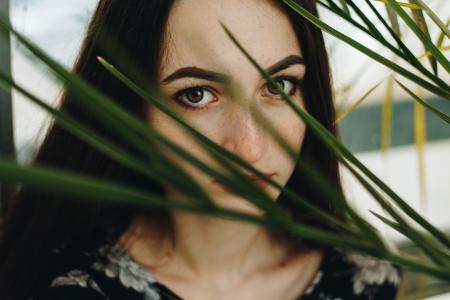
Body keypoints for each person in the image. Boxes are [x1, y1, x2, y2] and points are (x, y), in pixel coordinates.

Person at [0, 0, 402, 299]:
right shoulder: (74, 290)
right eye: (196, 94)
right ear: (130, 110)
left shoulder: (362, 279)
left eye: (279, 86)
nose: (249, 147)